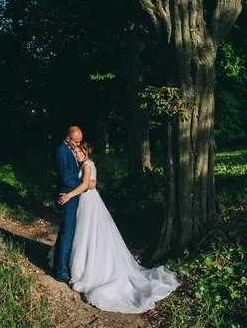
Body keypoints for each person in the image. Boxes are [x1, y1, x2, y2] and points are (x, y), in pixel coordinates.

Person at [57, 142, 179, 313]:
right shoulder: (86, 164)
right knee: (87, 234)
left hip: (89, 201)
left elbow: (86, 185)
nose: (77, 154)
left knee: (88, 234)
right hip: (87, 200)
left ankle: (88, 269)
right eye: (76, 152)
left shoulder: (86, 165)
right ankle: (83, 263)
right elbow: (89, 183)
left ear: (87, 152)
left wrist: (68, 195)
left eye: (80, 151)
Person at [52, 126, 95, 283]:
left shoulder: (71, 149)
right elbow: (65, 178)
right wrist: (84, 184)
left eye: (80, 141)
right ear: (68, 139)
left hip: (75, 196)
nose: (79, 144)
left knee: (68, 232)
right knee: (67, 233)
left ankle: (61, 264)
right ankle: (61, 271)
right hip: (67, 197)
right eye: (76, 142)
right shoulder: (62, 152)